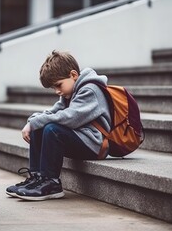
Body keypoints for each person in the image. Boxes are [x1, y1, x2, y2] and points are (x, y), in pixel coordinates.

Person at [6, 50, 111, 201]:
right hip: (81, 139)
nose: (57, 91)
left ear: (73, 75)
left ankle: (51, 183)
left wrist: (37, 121)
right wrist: (32, 122)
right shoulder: (70, 91)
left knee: (52, 129)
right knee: (41, 126)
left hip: (95, 144)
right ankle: (37, 178)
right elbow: (53, 111)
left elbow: (70, 118)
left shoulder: (90, 90)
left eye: (58, 85)